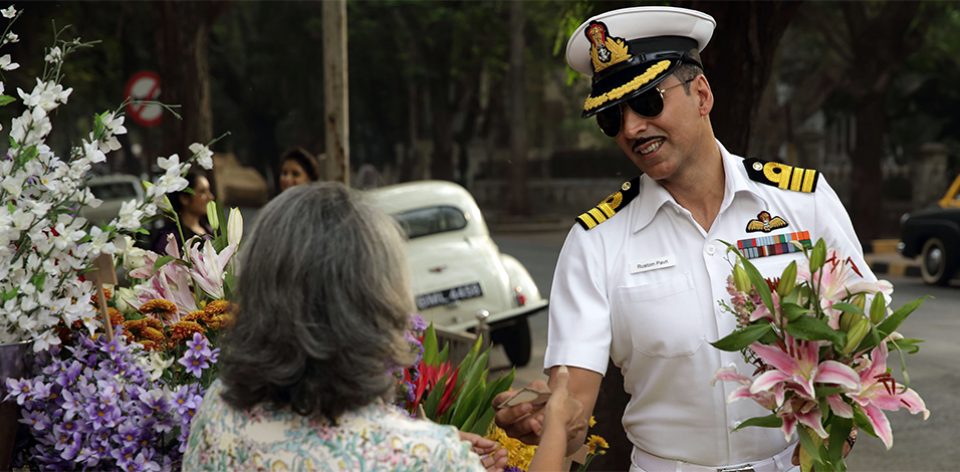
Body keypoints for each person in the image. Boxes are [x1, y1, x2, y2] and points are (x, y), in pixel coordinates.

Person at [494, 6, 875, 472]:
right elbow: (573, 404)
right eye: (611, 117)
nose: (632, 128)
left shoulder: (803, 202)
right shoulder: (596, 241)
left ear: (702, 94)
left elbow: (865, 322)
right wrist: (547, 421)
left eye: (648, 101)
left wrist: (843, 427)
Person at [183, 182, 580, 471]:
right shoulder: (427, 458)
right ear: (379, 304)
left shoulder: (218, 412)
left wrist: (418, 440)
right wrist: (556, 428)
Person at [149, 169, 214, 253]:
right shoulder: (170, 237)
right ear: (184, 198)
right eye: (202, 192)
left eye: (209, 190)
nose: (210, 197)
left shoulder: (208, 228)